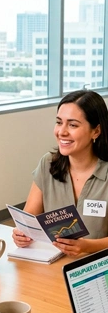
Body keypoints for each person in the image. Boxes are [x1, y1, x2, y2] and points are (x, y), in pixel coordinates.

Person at [13, 89, 108, 256]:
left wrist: (87, 246)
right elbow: (29, 218)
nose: (62, 132)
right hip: (53, 260)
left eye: (73, 125)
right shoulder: (48, 163)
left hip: (98, 265)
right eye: (59, 122)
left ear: (96, 131)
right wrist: (22, 234)